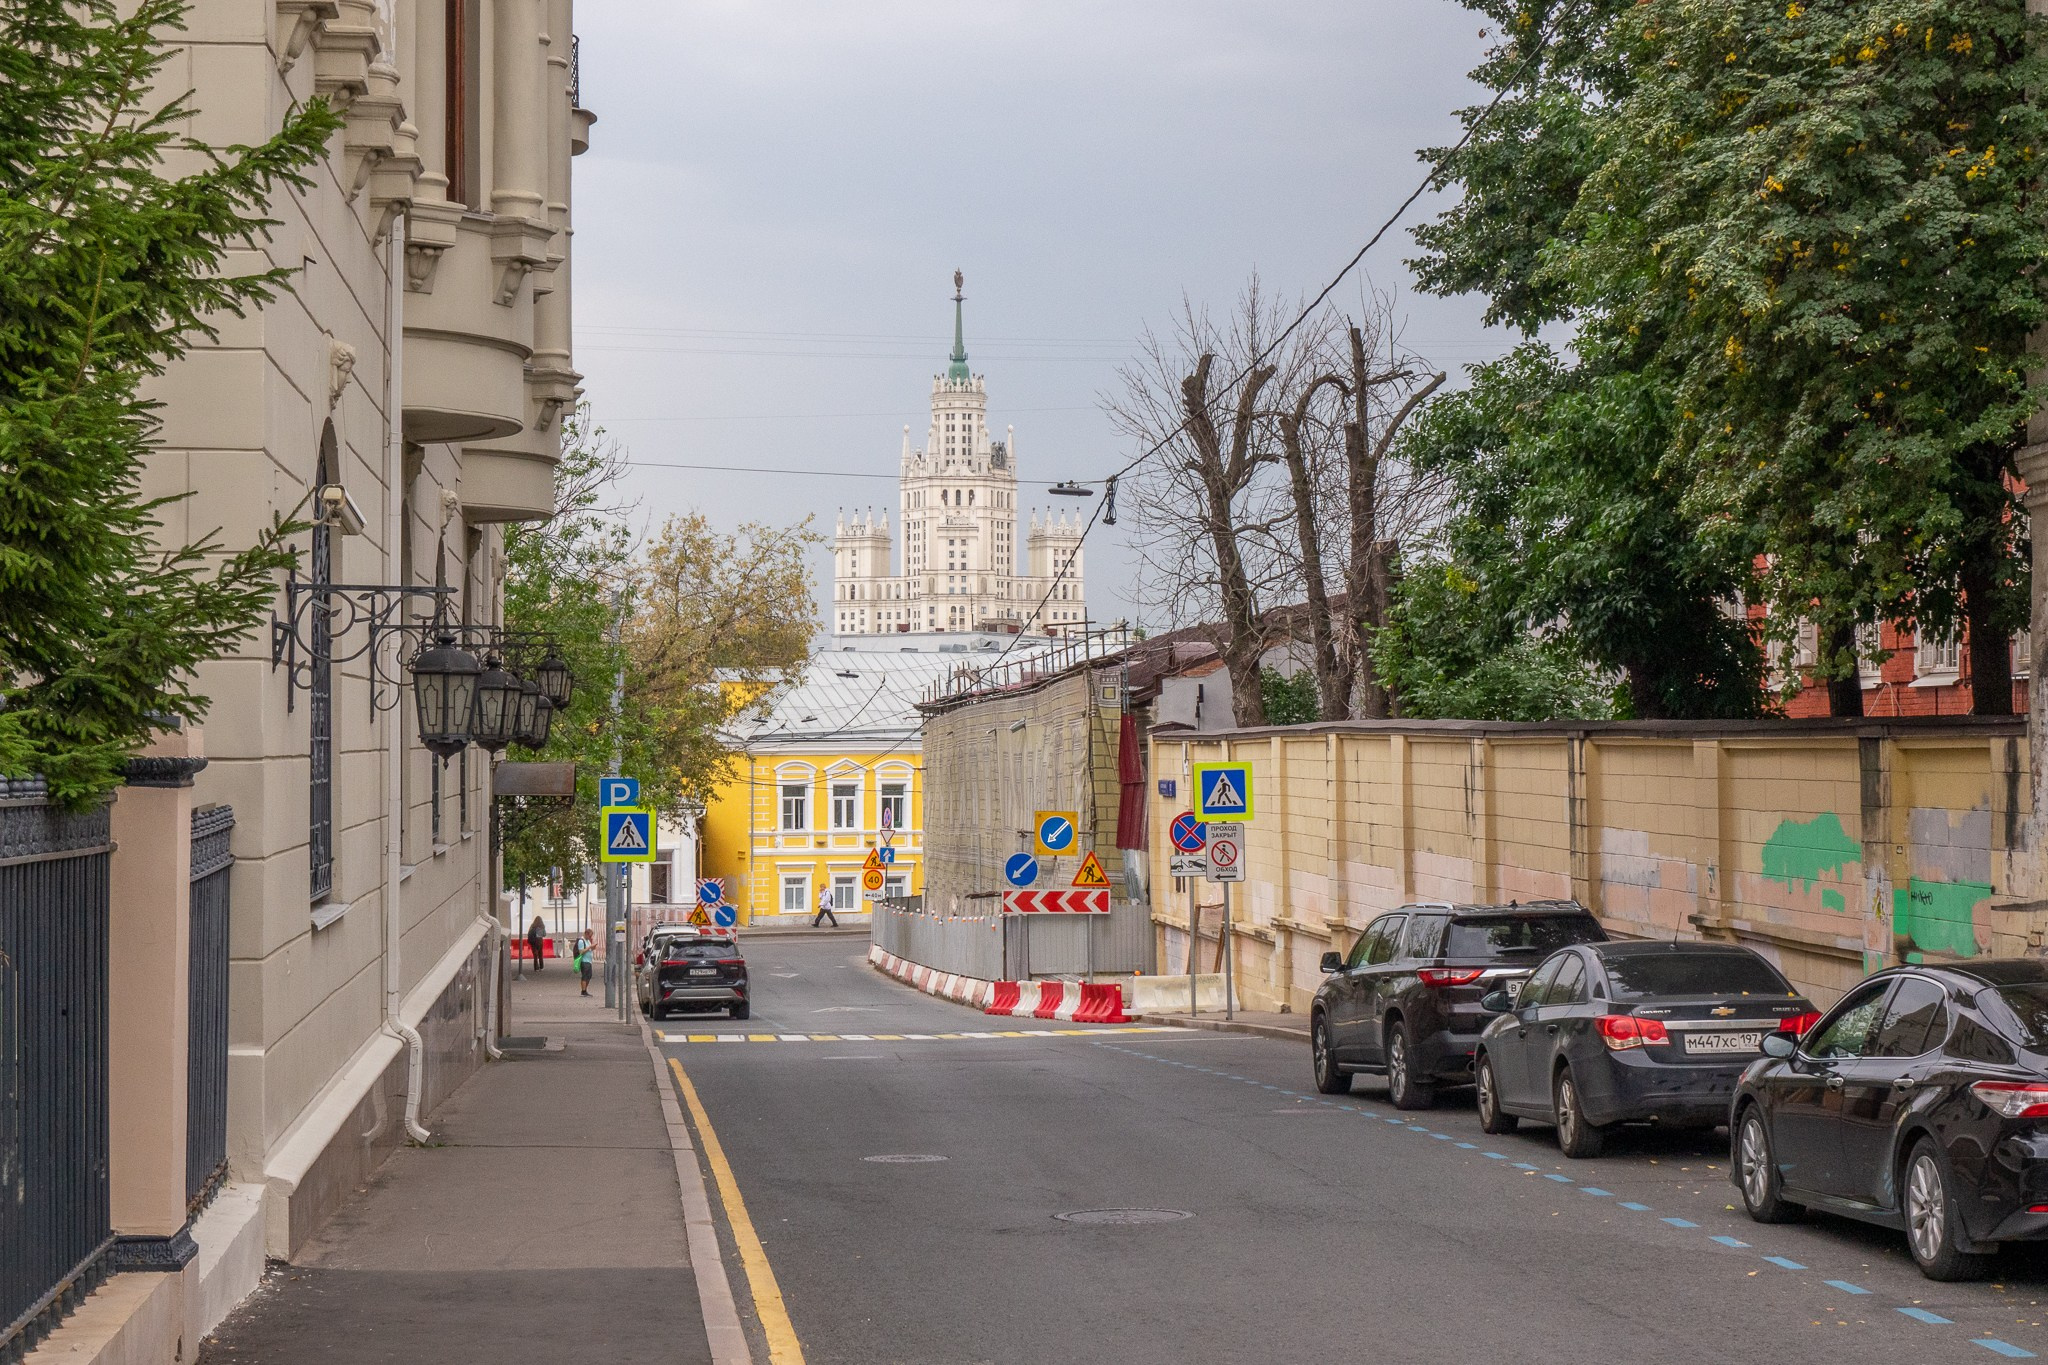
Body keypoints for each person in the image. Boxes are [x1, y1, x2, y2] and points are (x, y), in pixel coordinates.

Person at [572, 930, 593, 996]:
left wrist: (592, 947)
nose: (590, 937)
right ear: (586, 934)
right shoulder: (581, 941)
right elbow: (581, 952)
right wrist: (589, 947)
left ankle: (585, 989)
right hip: (584, 961)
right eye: (590, 936)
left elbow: (589, 949)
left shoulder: (588, 941)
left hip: (589, 961)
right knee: (585, 976)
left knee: (589, 976)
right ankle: (583, 991)